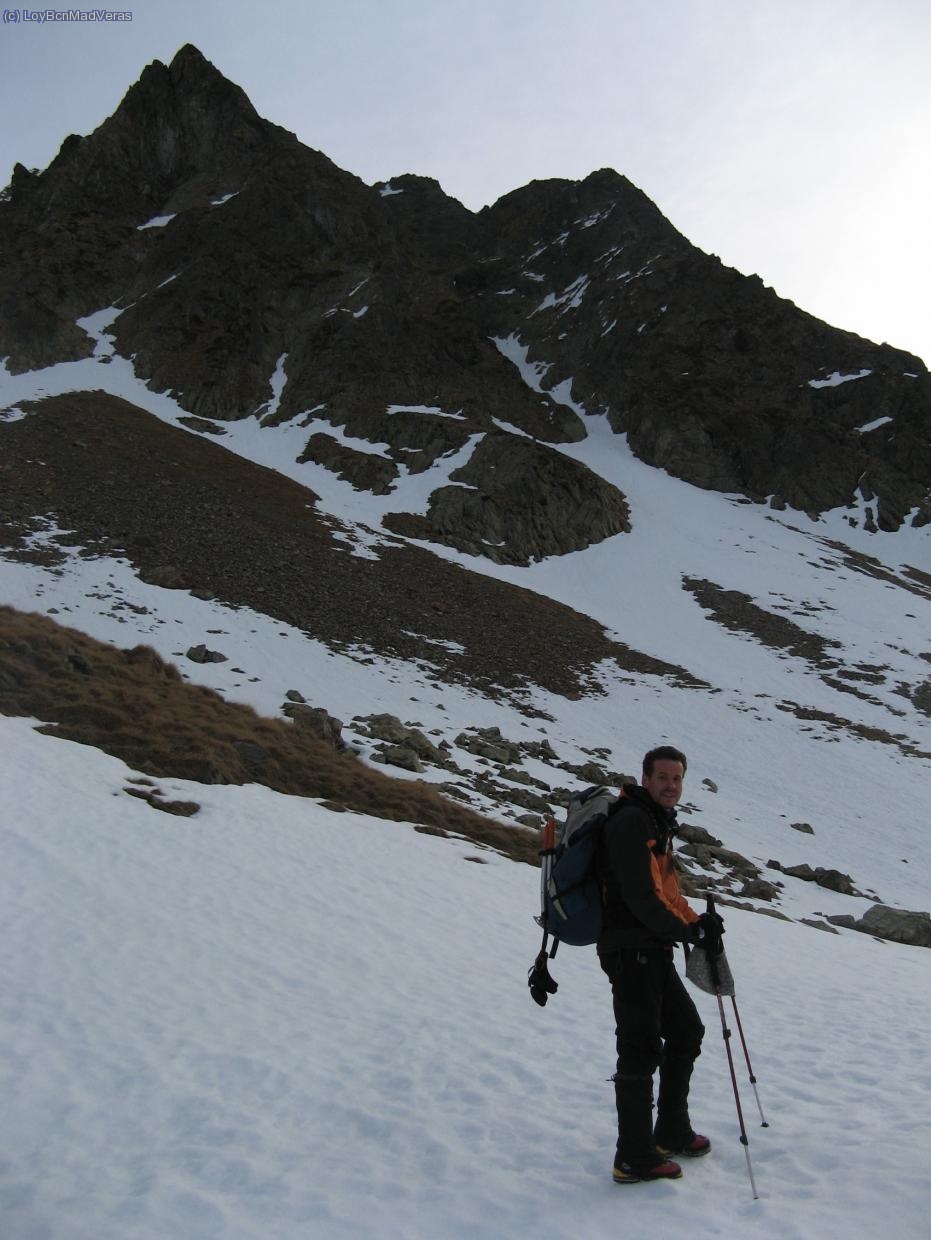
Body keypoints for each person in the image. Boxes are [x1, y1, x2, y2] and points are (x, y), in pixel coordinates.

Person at [596, 745, 724, 1183]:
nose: (671, 785)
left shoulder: (655, 822)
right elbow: (641, 897)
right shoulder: (633, 822)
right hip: (629, 949)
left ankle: (669, 1130)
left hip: (651, 948)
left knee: (686, 1030)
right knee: (640, 1045)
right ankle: (632, 1155)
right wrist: (688, 933)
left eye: (677, 778)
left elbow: (668, 893)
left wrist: (698, 923)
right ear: (646, 779)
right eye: (663, 777)